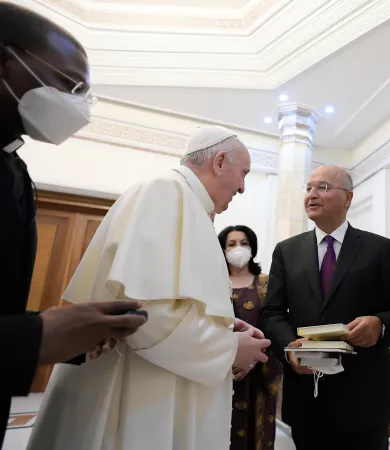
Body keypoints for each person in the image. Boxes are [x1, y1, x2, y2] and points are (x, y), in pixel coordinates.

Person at [27, 125, 272, 450]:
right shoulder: (165, 191)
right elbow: (142, 315)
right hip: (135, 398)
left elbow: (172, 302)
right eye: (243, 174)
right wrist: (228, 349)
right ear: (219, 162)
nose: (242, 187)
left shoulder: (188, 204)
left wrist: (222, 326)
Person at [0, 3, 147, 446]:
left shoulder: (14, 169)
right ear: (6, 60)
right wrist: (37, 336)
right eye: (69, 84)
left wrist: (69, 334)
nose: (77, 105)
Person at [260, 165, 390, 450]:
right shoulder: (286, 251)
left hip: (364, 399)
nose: (311, 195)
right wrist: (291, 347)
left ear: (348, 198)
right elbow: (272, 313)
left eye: (323, 187)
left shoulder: (378, 248)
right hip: (308, 398)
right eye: (308, 188)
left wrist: (380, 325)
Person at [218, 225, 282, 450]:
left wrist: (252, 359)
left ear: (252, 247)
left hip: (260, 373)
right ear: (222, 250)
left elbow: (275, 323)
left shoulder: (266, 283)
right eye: (232, 244)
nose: (238, 248)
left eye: (244, 243)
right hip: (222, 371)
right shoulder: (214, 283)